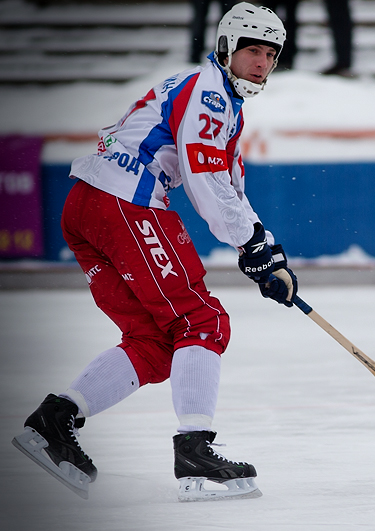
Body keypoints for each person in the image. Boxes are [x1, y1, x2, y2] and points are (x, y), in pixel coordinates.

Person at [11, 2, 299, 502]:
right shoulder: (209, 96)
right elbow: (206, 180)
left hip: (87, 206)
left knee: (154, 340)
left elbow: (227, 183)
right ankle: (195, 451)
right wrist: (250, 243)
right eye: (251, 49)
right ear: (227, 48)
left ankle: (52, 422)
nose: (261, 61)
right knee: (200, 321)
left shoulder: (214, 96)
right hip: (124, 203)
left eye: (270, 53)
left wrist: (264, 251)